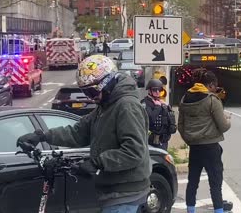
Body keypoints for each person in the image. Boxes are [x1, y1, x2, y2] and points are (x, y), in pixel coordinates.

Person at [17, 55, 151, 213]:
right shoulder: (105, 106)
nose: (90, 98)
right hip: (111, 191)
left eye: (91, 91)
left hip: (125, 193)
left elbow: (134, 151)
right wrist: (41, 136)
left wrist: (97, 163)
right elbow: (77, 133)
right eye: (86, 92)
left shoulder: (126, 106)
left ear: (106, 83)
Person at [178, 69, 232, 213]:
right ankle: (218, 210)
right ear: (210, 85)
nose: (215, 89)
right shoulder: (212, 100)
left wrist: (189, 139)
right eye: (214, 86)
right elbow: (223, 126)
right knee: (215, 183)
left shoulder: (184, 99)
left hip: (194, 147)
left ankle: (190, 210)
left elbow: (181, 125)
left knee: (192, 182)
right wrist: (228, 119)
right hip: (211, 147)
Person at [141, 79, 177, 150]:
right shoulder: (145, 103)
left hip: (164, 141)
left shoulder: (162, 103)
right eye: (155, 90)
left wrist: (167, 108)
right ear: (149, 90)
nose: (158, 92)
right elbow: (149, 120)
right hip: (151, 141)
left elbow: (171, 124)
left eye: (160, 90)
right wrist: (157, 107)